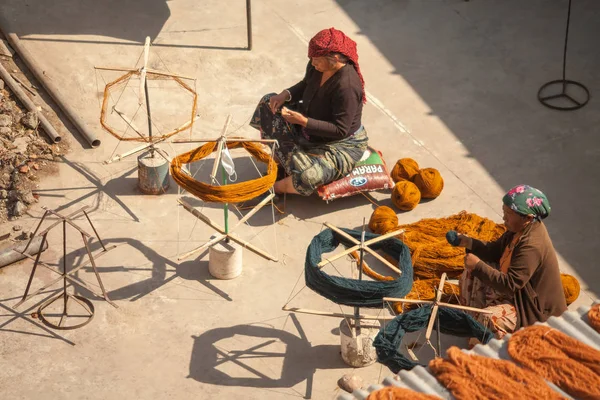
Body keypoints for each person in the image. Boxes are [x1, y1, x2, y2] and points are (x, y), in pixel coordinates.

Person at [249, 27, 368, 197]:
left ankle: (274, 189)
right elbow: (306, 83)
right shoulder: (317, 65)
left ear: (334, 59)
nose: (313, 64)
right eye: (312, 59)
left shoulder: (347, 87)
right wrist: (285, 94)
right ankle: (282, 164)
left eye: (317, 60)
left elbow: (340, 130)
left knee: (309, 176)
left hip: (339, 143)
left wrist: (304, 122)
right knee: (268, 103)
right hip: (309, 125)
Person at [450, 185, 567, 339]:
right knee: (470, 274)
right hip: (519, 293)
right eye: (504, 211)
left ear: (528, 218)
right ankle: (474, 322)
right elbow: (495, 251)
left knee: (490, 319)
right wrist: (469, 243)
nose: (504, 217)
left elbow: (510, 285)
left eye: (509, 214)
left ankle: (485, 343)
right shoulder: (518, 230)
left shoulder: (532, 245)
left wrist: (478, 266)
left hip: (531, 308)